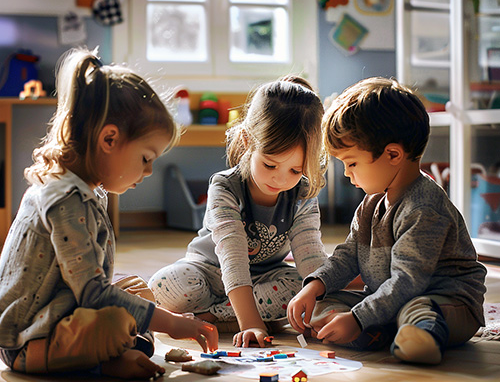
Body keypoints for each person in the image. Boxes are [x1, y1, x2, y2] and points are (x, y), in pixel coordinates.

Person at [0, 48, 218, 380]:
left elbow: (91, 285)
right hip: (27, 341)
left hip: (61, 309)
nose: (148, 172)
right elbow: (93, 293)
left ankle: (120, 349)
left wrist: (151, 315)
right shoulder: (65, 200)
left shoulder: (87, 190)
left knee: (140, 290)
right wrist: (172, 324)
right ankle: (107, 361)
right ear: (110, 139)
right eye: (145, 158)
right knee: (119, 323)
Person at [287, 76, 487, 365]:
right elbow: (348, 254)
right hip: (389, 297)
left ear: (393, 154)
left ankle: (417, 338)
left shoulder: (424, 206)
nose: (346, 174)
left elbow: (408, 282)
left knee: (417, 310)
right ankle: (377, 329)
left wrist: (357, 318)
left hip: (447, 302)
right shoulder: (371, 203)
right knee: (327, 303)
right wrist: (315, 286)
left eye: (352, 163)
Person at [149, 75, 329, 348]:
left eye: (295, 170)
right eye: (270, 165)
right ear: (247, 141)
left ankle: (211, 316)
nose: (280, 180)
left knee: (300, 286)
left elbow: (310, 256)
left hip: (264, 278)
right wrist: (251, 323)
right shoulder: (225, 186)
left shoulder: (303, 194)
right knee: (165, 284)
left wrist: (321, 310)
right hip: (209, 271)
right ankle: (237, 315)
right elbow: (232, 255)